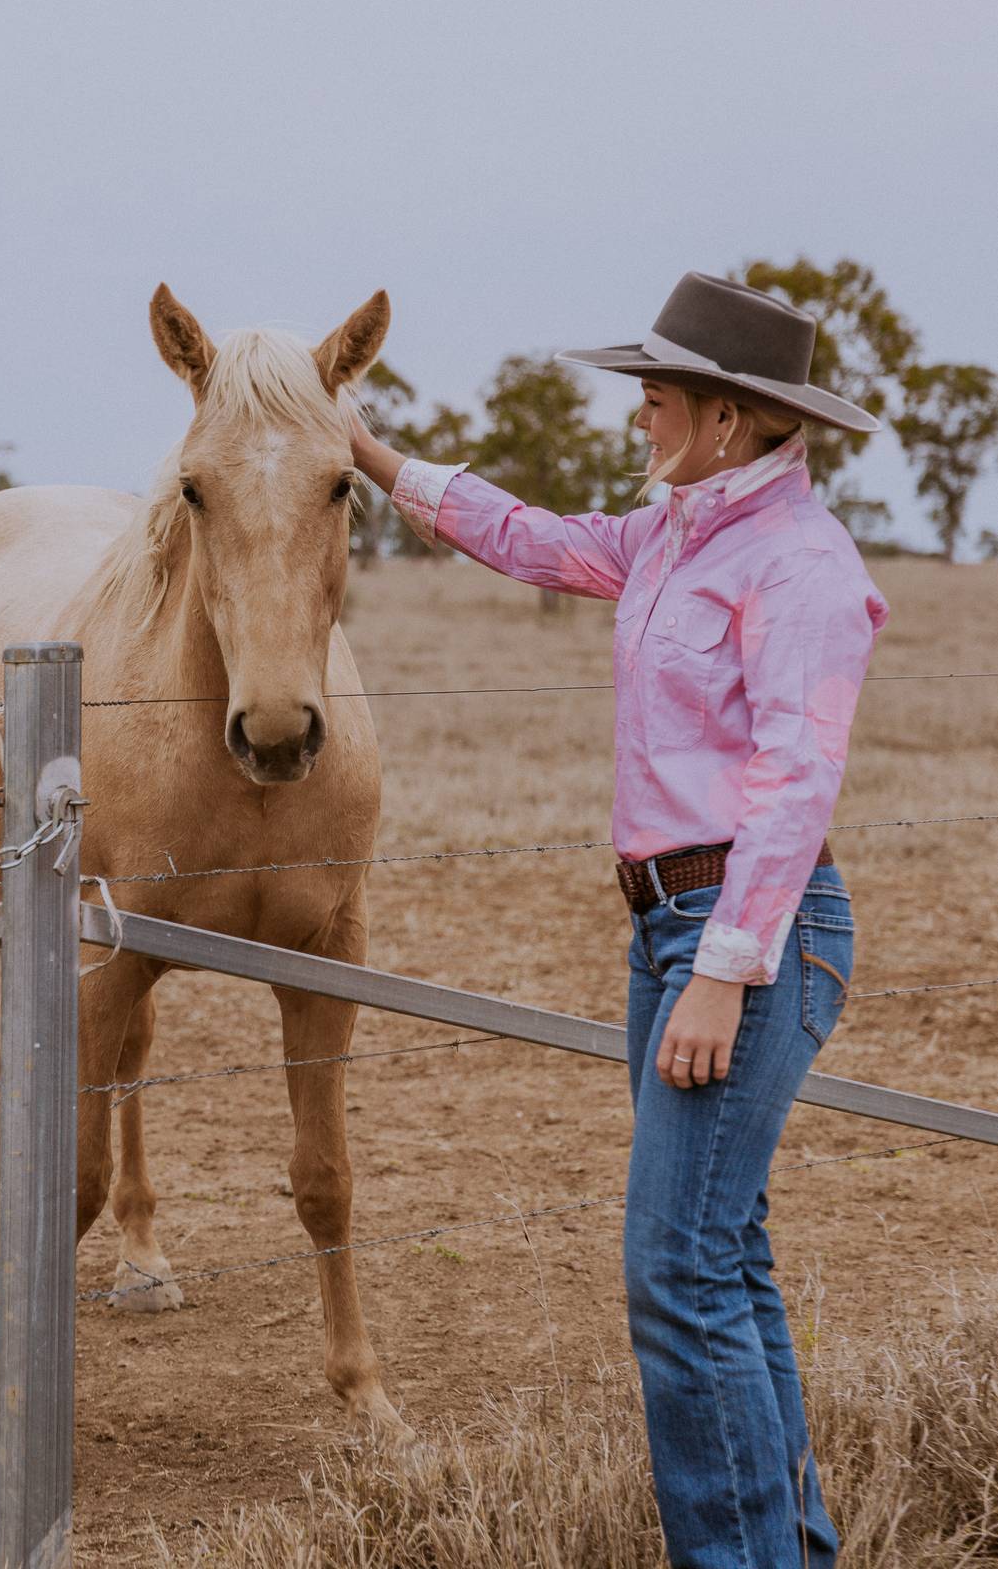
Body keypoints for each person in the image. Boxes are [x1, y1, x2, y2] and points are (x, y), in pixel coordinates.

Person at [348, 271, 889, 1569]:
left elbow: (792, 785)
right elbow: (528, 536)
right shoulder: (672, 539)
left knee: (677, 1274)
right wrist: (366, 455)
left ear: (733, 419)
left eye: (659, 390)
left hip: (742, 932)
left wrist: (720, 971)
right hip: (675, 928)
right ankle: (785, 1555)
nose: (637, 407)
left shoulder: (801, 565)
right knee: (722, 1259)